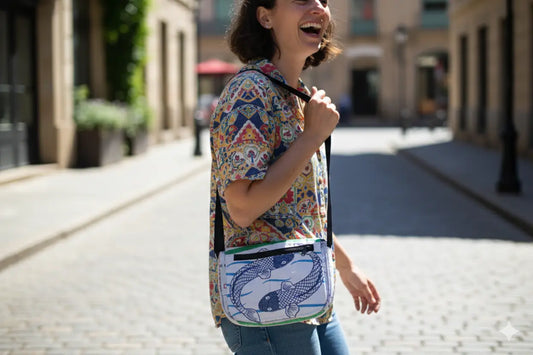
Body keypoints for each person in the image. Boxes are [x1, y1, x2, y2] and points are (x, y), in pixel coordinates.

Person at [208, 0, 381, 353]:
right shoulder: (249, 94)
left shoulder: (296, 95)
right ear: (265, 16)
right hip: (263, 299)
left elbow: (300, 210)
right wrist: (311, 137)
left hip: (309, 284)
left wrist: (345, 267)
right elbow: (241, 208)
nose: (318, 7)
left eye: (324, 0)